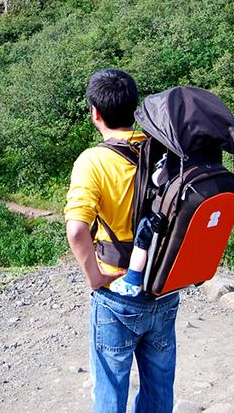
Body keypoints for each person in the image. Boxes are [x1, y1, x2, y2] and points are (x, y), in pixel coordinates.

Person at [65, 68, 179, 413]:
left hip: (117, 293)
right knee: (159, 390)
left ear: (95, 113)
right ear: (134, 108)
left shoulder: (94, 161)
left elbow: (76, 230)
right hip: (163, 284)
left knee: (111, 389)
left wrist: (94, 277)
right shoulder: (163, 150)